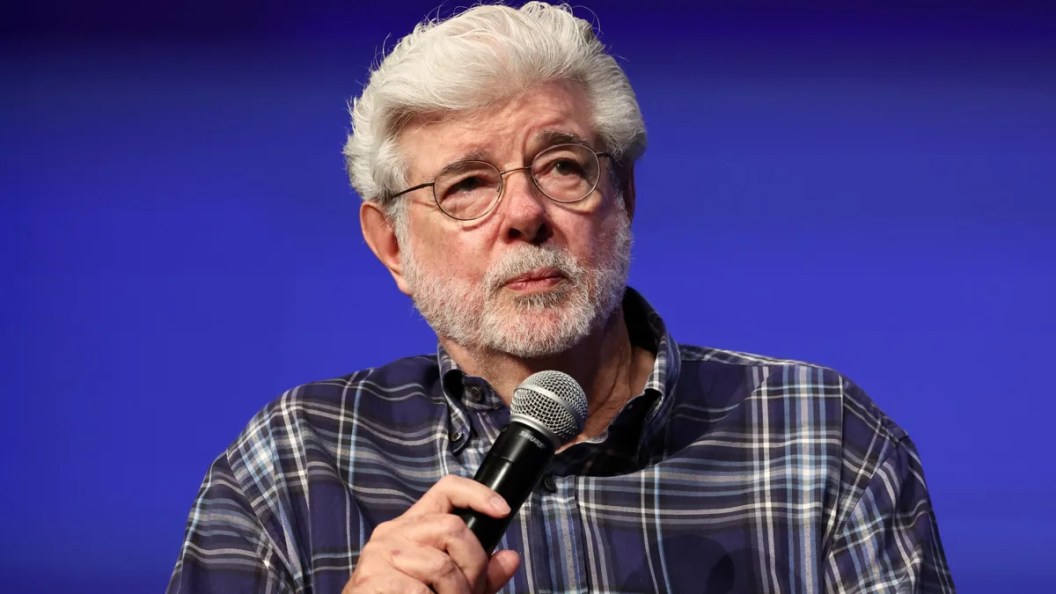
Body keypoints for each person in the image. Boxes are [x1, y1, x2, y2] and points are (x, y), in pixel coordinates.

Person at [167, 3, 954, 593]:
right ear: (393, 246)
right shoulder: (295, 465)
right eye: (467, 184)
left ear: (624, 195)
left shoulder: (819, 437)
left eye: (562, 166)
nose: (525, 213)